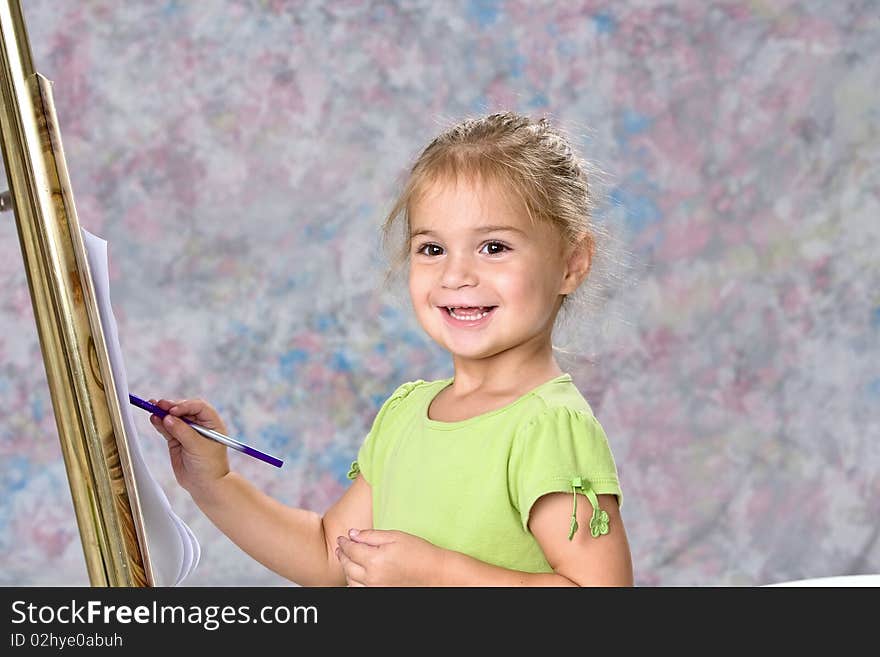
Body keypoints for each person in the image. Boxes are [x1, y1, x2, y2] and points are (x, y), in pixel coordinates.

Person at [149, 111, 634, 586]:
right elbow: (327, 556)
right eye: (432, 249)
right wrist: (213, 484)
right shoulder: (407, 413)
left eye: (493, 247)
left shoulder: (548, 428)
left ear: (572, 263)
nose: (456, 275)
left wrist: (440, 576)